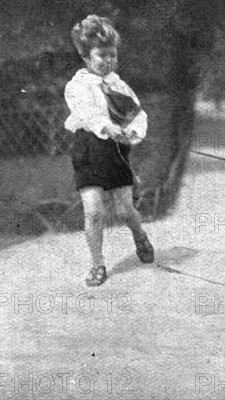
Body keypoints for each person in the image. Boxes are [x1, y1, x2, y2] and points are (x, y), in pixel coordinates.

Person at [65, 15, 154, 287]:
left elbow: (137, 114)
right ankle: (97, 264)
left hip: (115, 152)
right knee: (93, 211)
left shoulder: (118, 85)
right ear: (85, 55)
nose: (108, 61)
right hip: (89, 150)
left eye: (113, 55)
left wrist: (132, 131)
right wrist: (107, 127)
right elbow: (88, 114)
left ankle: (139, 234)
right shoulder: (77, 86)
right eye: (101, 55)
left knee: (126, 209)